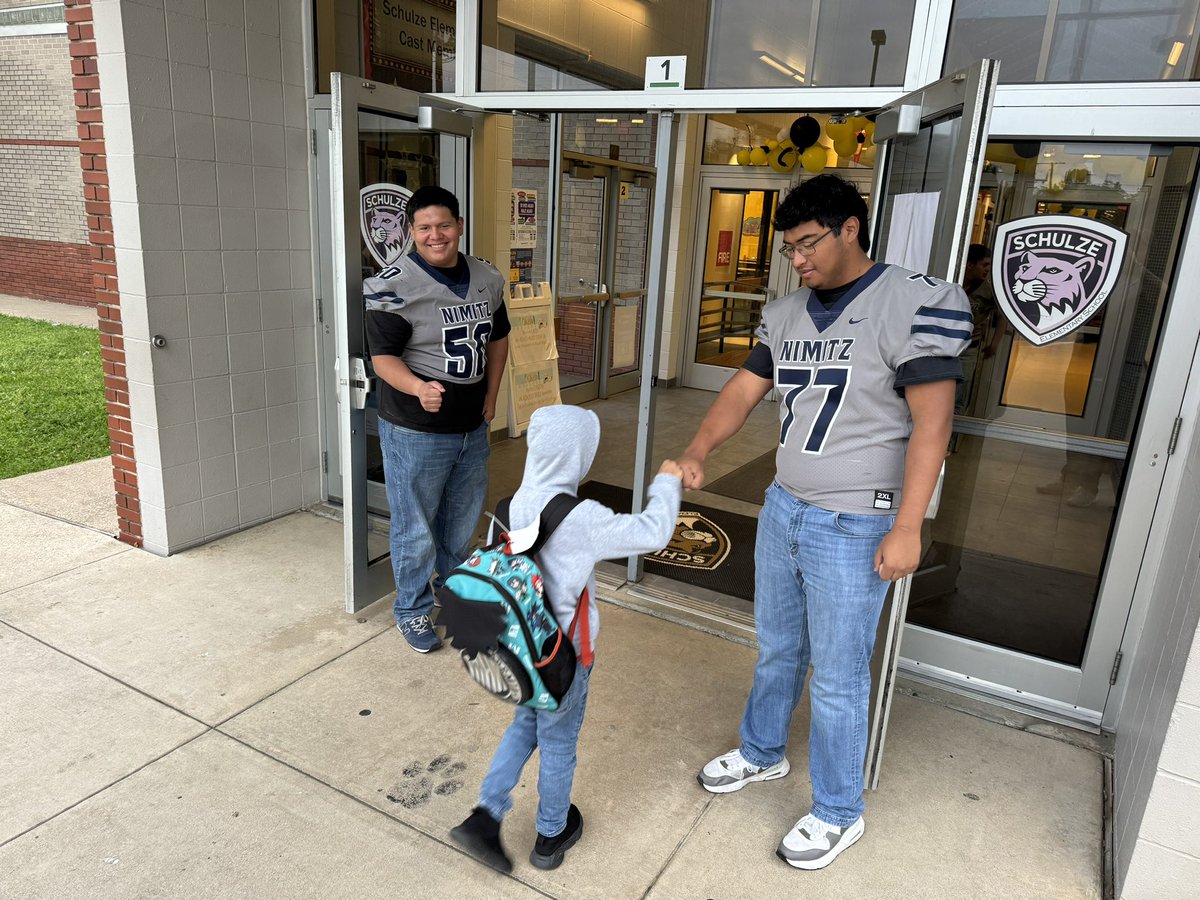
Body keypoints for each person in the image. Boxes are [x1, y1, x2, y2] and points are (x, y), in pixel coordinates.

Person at [680, 174, 971, 871]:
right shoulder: (784, 316)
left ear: (850, 228)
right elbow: (743, 391)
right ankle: (762, 751)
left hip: (857, 520)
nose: (799, 260)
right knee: (779, 647)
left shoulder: (914, 301)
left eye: (808, 244)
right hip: (786, 506)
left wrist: (910, 525)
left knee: (839, 674)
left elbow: (933, 427)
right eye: (790, 249)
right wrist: (695, 449)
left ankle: (840, 811)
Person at [449, 404, 682, 873]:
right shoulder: (581, 516)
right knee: (558, 744)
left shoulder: (509, 505)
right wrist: (667, 482)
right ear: (580, 456)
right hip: (563, 660)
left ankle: (486, 812)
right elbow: (653, 533)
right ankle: (552, 835)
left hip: (517, 653)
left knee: (523, 728)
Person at [363, 186, 510, 653]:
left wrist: (492, 397)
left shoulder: (486, 276)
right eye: (424, 227)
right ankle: (411, 609)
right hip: (415, 428)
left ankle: (454, 595)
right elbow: (382, 358)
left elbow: (499, 339)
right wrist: (417, 388)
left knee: (461, 521)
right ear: (410, 232)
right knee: (416, 524)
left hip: (471, 425)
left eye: (443, 225)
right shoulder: (395, 284)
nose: (435, 235)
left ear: (459, 225)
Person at [957, 243, 1003, 415]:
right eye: (984, 265)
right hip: (944, 345)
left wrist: (995, 343)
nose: (987, 270)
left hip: (969, 348)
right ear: (970, 264)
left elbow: (1002, 316)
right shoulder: (953, 281)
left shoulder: (988, 289)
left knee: (959, 397)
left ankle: (951, 441)